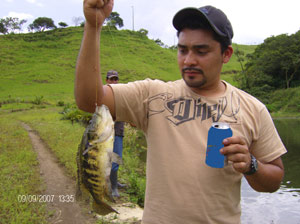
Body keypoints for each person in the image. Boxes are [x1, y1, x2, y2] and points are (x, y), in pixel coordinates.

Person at [75, 1, 287, 223]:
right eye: (182, 49)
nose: (188, 60)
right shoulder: (153, 96)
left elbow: (274, 180)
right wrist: (93, 25)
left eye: (201, 51)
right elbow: (90, 100)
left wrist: (251, 164)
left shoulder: (253, 108)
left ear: (226, 54)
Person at [105, 70, 125, 197]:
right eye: (111, 79)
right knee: (110, 162)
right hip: (106, 134)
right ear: (107, 80)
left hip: (118, 132)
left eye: (115, 79)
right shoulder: (103, 94)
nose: (114, 81)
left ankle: (115, 182)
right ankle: (113, 188)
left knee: (116, 159)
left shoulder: (122, 94)